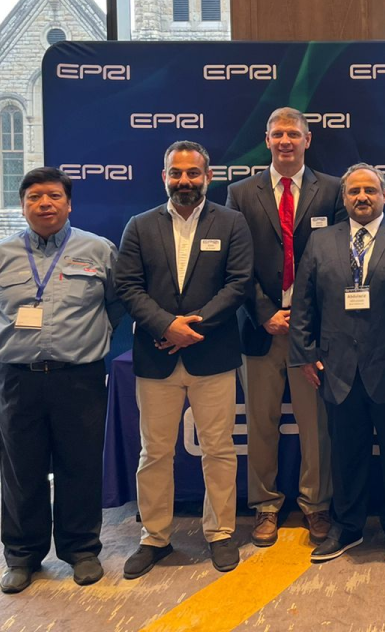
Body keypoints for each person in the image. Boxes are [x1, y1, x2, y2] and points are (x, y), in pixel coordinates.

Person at [0, 167, 123, 594]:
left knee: (81, 465)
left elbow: (115, 304)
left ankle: (81, 550)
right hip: (17, 379)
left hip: (79, 377)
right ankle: (22, 556)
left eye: (54, 196)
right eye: (34, 197)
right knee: (21, 468)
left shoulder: (99, 251)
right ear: (22, 206)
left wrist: (88, 338)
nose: (44, 204)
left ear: (69, 204)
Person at [289, 163, 385, 568]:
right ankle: (347, 527)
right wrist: (305, 354)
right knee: (345, 456)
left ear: (384, 196)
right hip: (336, 369)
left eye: (370, 191)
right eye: (354, 191)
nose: (362, 197)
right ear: (344, 198)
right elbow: (303, 304)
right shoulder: (321, 241)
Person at [115, 141, 253, 579]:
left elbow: (238, 283)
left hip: (212, 355)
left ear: (208, 177)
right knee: (154, 452)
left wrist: (193, 327)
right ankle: (155, 536)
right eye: (176, 173)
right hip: (156, 356)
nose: (184, 181)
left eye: (193, 173)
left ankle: (220, 532)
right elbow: (128, 286)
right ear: (164, 177)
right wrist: (166, 326)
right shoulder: (139, 226)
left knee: (219, 449)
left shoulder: (231, 222)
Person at [227, 107, 344, 547]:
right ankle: (265, 505)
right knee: (261, 422)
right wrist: (265, 313)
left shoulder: (332, 190)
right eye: (277, 134)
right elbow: (236, 265)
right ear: (267, 140)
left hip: (312, 331)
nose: (285, 141)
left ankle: (316, 504)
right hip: (261, 330)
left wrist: (304, 316)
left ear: (307, 140)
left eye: (293, 133)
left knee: (316, 425)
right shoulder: (241, 193)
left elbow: (337, 261)